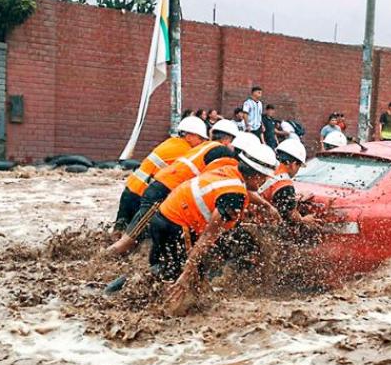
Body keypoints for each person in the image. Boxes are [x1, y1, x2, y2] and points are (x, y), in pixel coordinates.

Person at [154, 144, 278, 313]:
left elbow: (241, 189)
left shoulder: (229, 171)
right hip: (176, 226)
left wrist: (265, 205)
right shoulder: (233, 197)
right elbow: (207, 238)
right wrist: (186, 274)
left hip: (165, 215)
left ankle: (193, 306)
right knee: (176, 278)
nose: (264, 181)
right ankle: (163, 315)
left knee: (172, 270)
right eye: (264, 177)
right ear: (257, 175)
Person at [105, 119, 241, 256]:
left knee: (133, 234)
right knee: (129, 240)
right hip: (160, 192)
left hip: (148, 188)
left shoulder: (204, 146)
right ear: (228, 140)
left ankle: (112, 254)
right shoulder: (220, 152)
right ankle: (102, 259)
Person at [112, 116, 207, 235]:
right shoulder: (185, 151)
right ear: (189, 136)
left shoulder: (170, 142)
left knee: (118, 232)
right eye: (201, 138)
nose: (202, 143)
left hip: (130, 191)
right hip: (143, 198)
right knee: (135, 239)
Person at [257, 137, 316, 224]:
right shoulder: (285, 185)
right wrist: (305, 220)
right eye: (299, 167)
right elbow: (291, 215)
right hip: (263, 225)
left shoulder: (268, 169)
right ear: (294, 164)